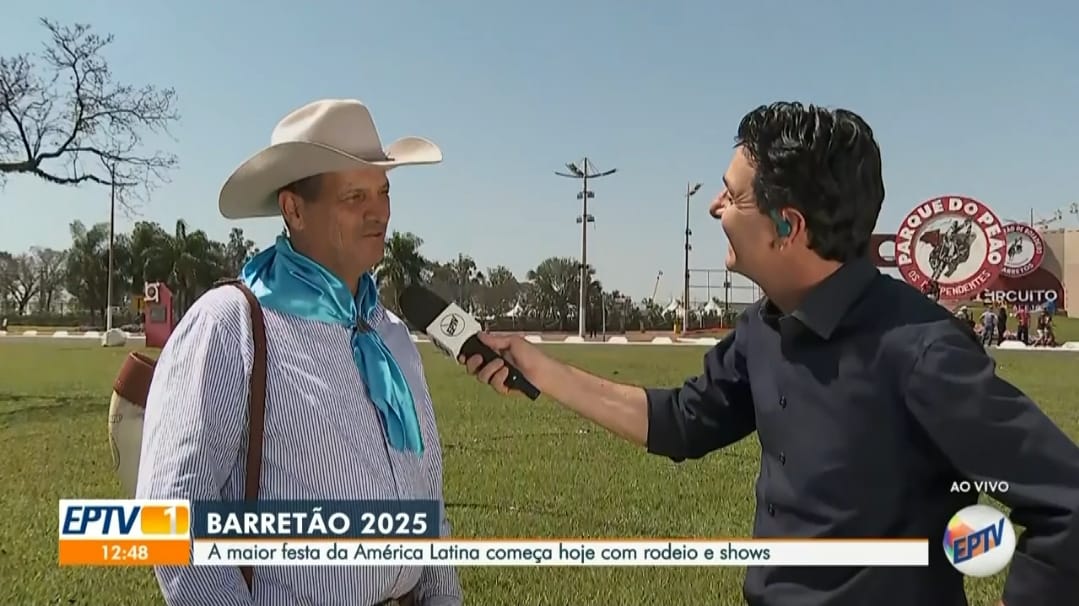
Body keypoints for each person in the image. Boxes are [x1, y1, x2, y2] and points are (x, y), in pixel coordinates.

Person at [459, 102, 1079, 606]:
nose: (715, 207)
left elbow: (1067, 507)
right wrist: (537, 365)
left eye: (731, 196)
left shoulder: (922, 352)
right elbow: (681, 422)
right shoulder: (763, 329)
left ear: (789, 226)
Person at [136, 99, 461, 606]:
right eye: (354, 195)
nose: (379, 211)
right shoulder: (231, 325)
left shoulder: (390, 334)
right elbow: (171, 519)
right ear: (294, 210)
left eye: (383, 191)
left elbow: (428, 494)